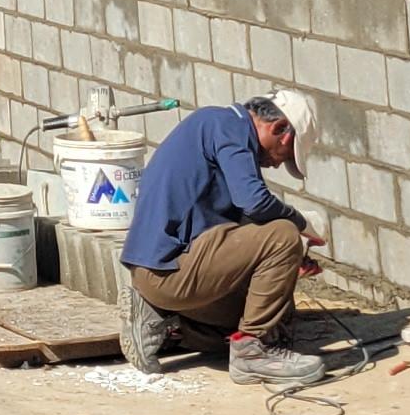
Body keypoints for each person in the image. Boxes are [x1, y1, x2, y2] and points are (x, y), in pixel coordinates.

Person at [118, 88, 325, 384]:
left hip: (160, 274)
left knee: (278, 316)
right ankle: (252, 354)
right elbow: (255, 203)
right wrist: (300, 224)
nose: (277, 164)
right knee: (284, 235)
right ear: (280, 129)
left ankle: (163, 322)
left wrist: (286, 266)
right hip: (171, 270)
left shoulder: (216, 130)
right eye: (285, 155)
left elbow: (239, 229)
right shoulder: (227, 126)